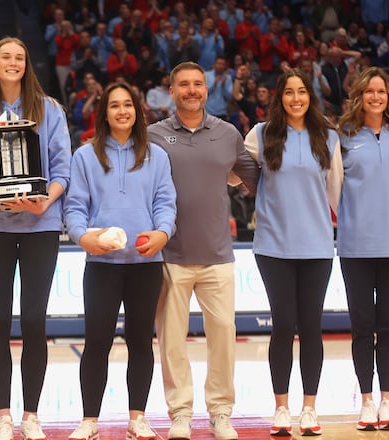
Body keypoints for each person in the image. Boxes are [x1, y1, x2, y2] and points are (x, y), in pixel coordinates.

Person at [0, 36, 72, 440]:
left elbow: (63, 170)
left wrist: (45, 204)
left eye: (20, 58)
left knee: (34, 321)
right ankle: (3, 415)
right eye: (5, 57)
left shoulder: (51, 111)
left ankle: (31, 414)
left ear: (27, 66)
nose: (12, 63)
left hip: (40, 226)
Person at [148, 61, 259, 440]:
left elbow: (258, 180)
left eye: (198, 84)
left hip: (217, 256)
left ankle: (221, 411)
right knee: (171, 341)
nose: (192, 90)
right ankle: (180, 412)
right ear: (172, 91)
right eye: (184, 85)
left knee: (224, 335)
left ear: (206, 91)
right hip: (170, 256)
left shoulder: (228, 134)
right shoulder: (152, 135)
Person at [64, 82, 177, 440]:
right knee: (96, 340)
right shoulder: (85, 156)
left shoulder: (157, 155)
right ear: (105, 113)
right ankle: (89, 420)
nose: (122, 111)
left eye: (128, 104)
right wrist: (84, 237)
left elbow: (165, 202)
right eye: (114, 105)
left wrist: (163, 232)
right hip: (102, 265)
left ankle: (137, 418)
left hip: (146, 264)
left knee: (141, 341)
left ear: (137, 110)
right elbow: (75, 207)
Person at [244, 69, 342, 437]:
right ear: (280, 97)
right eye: (289, 92)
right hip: (273, 246)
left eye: (302, 92)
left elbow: (336, 192)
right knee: (283, 325)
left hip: (317, 246)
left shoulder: (327, 136)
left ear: (310, 96)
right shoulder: (260, 133)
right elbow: (235, 172)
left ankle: (309, 409)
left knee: (311, 327)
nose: (296, 98)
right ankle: (282, 408)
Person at [337, 67, 389, 432]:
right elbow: (331, 187)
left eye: (381, 91)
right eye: (369, 91)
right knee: (362, 326)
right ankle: (365, 401)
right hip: (355, 246)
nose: (376, 97)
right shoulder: (344, 135)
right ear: (359, 96)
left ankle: (387, 399)